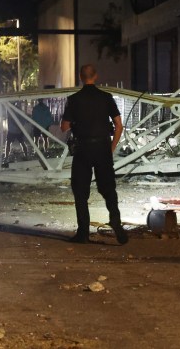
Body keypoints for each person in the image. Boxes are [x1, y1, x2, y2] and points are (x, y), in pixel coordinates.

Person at [60, 64, 128, 245]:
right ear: (95, 76)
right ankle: (116, 221)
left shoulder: (73, 99)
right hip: (102, 148)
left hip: (83, 149)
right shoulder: (106, 98)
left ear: (81, 77)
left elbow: (64, 127)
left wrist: (75, 123)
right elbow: (119, 125)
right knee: (108, 188)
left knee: (80, 191)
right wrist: (112, 147)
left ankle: (83, 233)